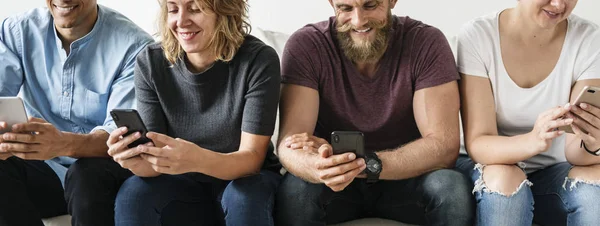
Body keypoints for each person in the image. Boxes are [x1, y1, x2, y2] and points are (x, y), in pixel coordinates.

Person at [274, 0, 474, 225]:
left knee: (451, 188)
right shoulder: (307, 44)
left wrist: (366, 165)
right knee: (296, 191)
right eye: (346, 8)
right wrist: (315, 166)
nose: (358, 21)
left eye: (370, 5)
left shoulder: (426, 42)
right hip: (333, 184)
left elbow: (443, 147)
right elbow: (289, 144)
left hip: (407, 176)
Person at [106, 0, 281, 225]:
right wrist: (131, 159)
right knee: (134, 194)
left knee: (243, 198)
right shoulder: (151, 62)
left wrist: (198, 160)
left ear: (225, 10)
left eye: (195, 9)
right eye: (173, 9)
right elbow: (154, 161)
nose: (181, 21)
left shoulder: (258, 59)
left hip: (244, 179)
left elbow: (252, 160)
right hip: (183, 184)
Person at [0, 0, 153, 225]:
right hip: (42, 167)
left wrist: (62, 143)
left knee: (85, 176)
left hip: (100, 172)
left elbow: (122, 136)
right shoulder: (17, 31)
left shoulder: (136, 47)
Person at [455, 0, 600, 225]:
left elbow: (575, 153)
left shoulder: (589, 39)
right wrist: (532, 141)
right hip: (487, 166)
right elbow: (479, 144)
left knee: (594, 184)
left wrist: (593, 143)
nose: (559, 4)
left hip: (551, 172)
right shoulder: (478, 36)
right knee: (507, 180)